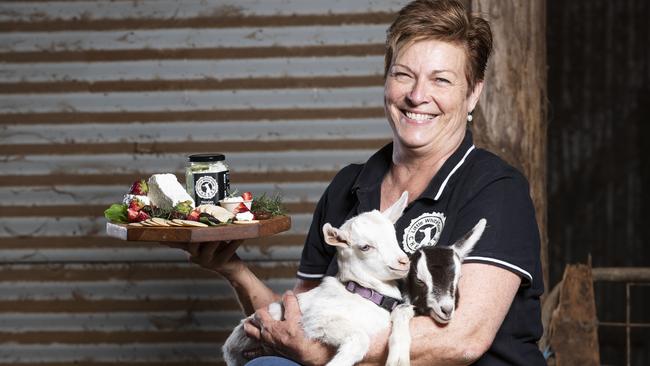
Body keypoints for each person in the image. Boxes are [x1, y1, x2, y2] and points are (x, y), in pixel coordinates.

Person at [168, 0, 546, 364]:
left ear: (473, 93)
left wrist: (327, 355)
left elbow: (462, 340)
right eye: (403, 75)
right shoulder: (349, 186)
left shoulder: (495, 189)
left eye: (441, 80)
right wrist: (234, 269)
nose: (417, 96)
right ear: (386, 80)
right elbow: (303, 323)